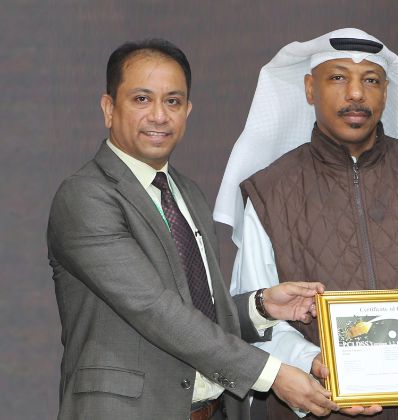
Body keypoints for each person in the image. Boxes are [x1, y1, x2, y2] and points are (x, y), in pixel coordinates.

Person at [47, 38, 339, 420]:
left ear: (187, 111)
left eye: (172, 101)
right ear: (108, 108)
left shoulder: (188, 194)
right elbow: (156, 310)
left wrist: (261, 307)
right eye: (141, 99)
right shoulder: (85, 196)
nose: (159, 115)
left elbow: (196, 310)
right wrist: (271, 374)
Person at [214, 28, 398, 419]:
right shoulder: (271, 190)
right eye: (338, 77)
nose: (356, 93)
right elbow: (261, 317)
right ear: (310, 88)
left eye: (371, 80)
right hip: (321, 403)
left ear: (386, 92)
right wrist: (311, 361)